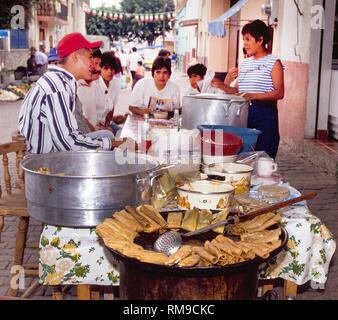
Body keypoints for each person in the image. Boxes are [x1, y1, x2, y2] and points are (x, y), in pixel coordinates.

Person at [18, 32, 137, 153]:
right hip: (48, 165)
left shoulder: (60, 81)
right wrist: (114, 143)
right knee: (115, 153)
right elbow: (69, 144)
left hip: (55, 155)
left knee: (109, 141)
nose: (94, 65)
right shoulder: (57, 88)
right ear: (75, 57)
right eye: (90, 57)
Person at [235, 19, 285, 159]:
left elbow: (279, 93)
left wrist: (253, 95)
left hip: (265, 114)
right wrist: (222, 85)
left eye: (248, 39)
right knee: (243, 158)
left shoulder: (273, 62)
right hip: (244, 114)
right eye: (244, 40)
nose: (244, 44)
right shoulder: (245, 64)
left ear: (260, 40)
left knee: (264, 158)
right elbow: (239, 92)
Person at [96, 52, 125, 136]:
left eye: (112, 68)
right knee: (109, 135)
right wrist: (104, 129)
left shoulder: (116, 82)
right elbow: (88, 118)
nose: (110, 71)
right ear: (100, 69)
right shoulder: (95, 84)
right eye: (106, 68)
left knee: (123, 134)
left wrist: (107, 125)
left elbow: (111, 108)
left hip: (107, 123)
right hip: (94, 126)